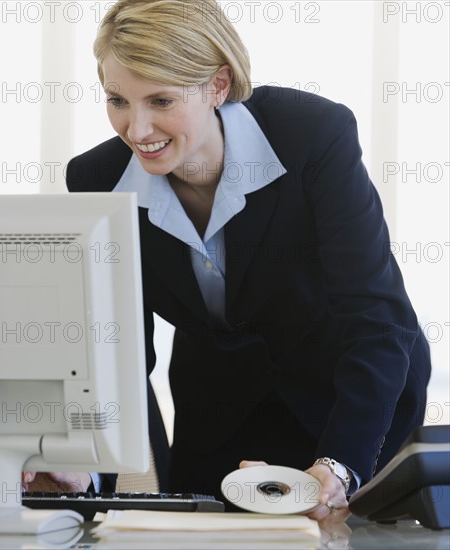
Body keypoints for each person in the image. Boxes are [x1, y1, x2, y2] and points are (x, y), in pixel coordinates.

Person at [29, 0, 432, 522]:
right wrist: (88, 469)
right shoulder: (96, 180)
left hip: (352, 406)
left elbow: (378, 320)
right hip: (219, 411)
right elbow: (117, 353)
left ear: (218, 86)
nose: (136, 128)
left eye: (161, 100)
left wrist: (340, 465)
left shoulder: (313, 136)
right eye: (117, 100)